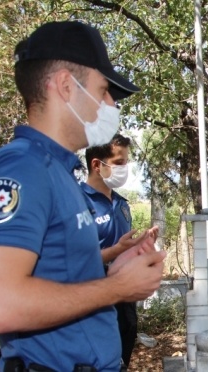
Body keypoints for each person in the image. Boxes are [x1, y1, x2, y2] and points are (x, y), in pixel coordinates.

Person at [0, 21, 166, 371]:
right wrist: (116, 288)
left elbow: (59, 280)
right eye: (104, 90)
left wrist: (112, 270)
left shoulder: (57, 173)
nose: (109, 105)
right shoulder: (20, 171)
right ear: (65, 86)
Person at [82, 134, 159, 369]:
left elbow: (123, 248)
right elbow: (75, 260)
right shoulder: (78, 202)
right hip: (92, 295)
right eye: (119, 163)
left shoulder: (122, 204)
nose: (125, 169)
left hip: (125, 294)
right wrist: (115, 251)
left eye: (126, 162)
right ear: (97, 165)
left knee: (123, 347)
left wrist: (141, 244)